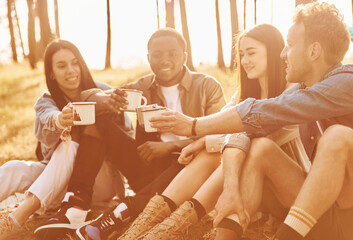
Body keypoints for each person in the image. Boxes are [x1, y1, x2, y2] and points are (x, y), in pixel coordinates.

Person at [151, 2, 353, 240]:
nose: (282, 54)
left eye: (289, 46)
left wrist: (193, 125)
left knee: (338, 137)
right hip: (322, 212)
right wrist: (213, 152)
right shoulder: (304, 89)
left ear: (314, 51)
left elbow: (269, 111)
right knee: (260, 148)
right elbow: (252, 124)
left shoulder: (351, 82)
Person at [118, 23, 311, 240]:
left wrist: (204, 140)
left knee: (234, 149)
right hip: (253, 183)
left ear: (274, 51)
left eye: (251, 53)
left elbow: (253, 133)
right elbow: (225, 125)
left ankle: (166, 232)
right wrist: (205, 143)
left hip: (290, 187)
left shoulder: (292, 89)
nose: (245, 60)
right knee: (212, 153)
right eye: (241, 54)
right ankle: (146, 232)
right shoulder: (244, 91)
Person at [34, 27, 226, 240]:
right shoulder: (142, 87)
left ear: (184, 57)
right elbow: (87, 95)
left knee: (190, 161)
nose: (165, 60)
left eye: (172, 53)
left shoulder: (207, 86)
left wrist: (171, 146)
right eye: (157, 54)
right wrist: (106, 100)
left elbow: (219, 135)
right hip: (146, 165)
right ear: (149, 58)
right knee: (99, 121)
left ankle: (119, 213)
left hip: (187, 170)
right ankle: (77, 205)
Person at [0, 39, 131, 239]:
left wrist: (112, 110)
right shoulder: (46, 101)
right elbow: (46, 122)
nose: (71, 70)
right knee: (13, 169)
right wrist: (61, 119)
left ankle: (18, 216)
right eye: (62, 66)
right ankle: (46, 204)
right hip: (57, 185)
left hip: (97, 183)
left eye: (74, 63)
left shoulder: (103, 90)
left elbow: (127, 135)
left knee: (71, 141)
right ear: (51, 72)